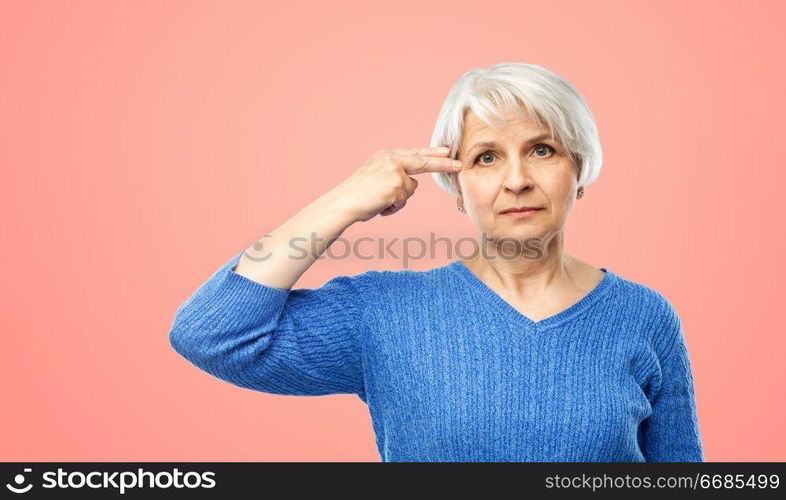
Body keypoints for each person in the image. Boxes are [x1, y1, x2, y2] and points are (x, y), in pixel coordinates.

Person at [168, 62, 704, 462]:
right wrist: (343, 201)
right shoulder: (382, 313)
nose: (516, 180)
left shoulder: (644, 316)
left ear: (579, 171)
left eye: (542, 150)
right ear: (455, 185)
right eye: (486, 157)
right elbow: (211, 334)